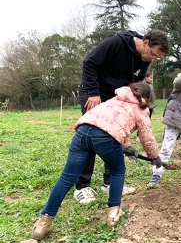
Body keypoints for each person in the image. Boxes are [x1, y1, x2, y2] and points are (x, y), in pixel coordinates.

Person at [31, 83, 162, 240]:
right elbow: (146, 136)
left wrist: (127, 146)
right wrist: (155, 156)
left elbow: (110, 121)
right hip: (106, 137)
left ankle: (43, 223)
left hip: (83, 132)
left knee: (67, 177)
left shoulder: (115, 99)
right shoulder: (141, 109)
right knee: (117, 171)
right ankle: (113, 214)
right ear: (147, 98)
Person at [75, 29, 169, 204]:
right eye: (153, 54)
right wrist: (94, 93)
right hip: (94, 91)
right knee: (90, 135)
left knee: (117, 134)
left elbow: (136, 84)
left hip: (116, 95)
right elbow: (89, 62)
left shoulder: (145, 58)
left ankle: (109, 183)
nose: (153, 59)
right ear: (145, 42)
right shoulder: (117, 42)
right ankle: (82, 186)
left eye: (157, 57)